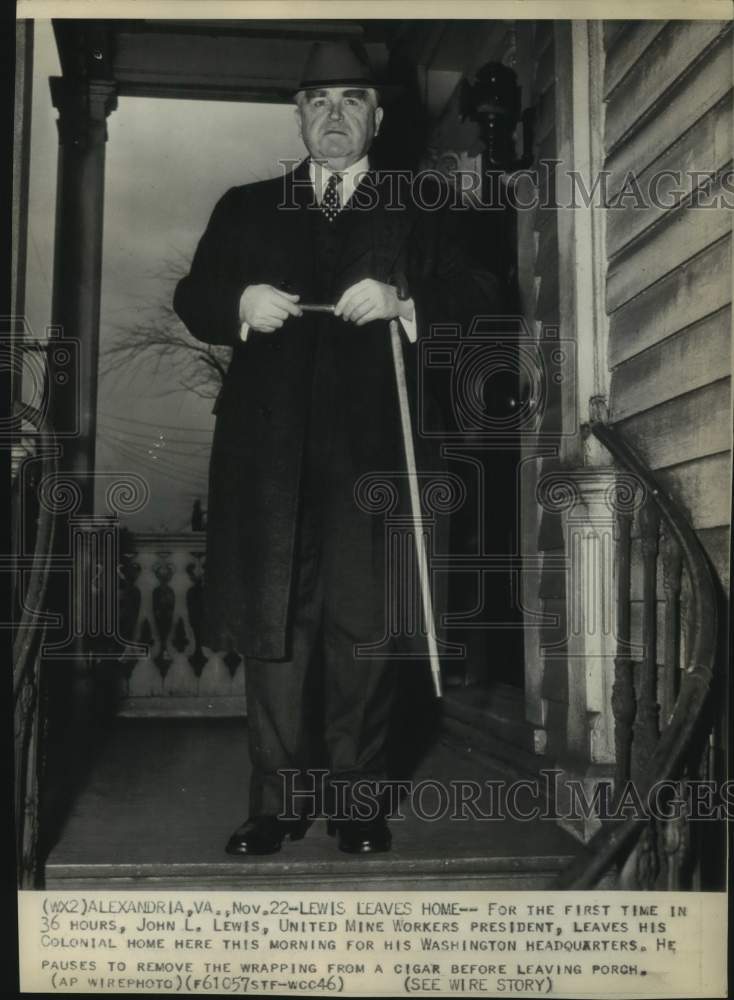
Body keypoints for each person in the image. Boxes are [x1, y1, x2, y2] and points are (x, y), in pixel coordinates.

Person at [174, 40, 502, 856]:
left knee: (366, 630)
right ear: (297, 115)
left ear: (377, 116)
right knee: (274, 631)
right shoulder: (246, 208)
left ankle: (358, 802)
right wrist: (240, 301)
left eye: (351, 100)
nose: (332, 116)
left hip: (378, 459)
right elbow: (194, 296)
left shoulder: (419, 204)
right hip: (268, 463)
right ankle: (278, 805)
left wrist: (405, 299)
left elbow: (483, 296)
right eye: (317, 101)